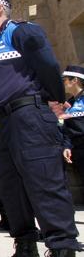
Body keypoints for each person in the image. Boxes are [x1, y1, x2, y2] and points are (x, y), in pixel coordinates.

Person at [0, 0, 81, 256]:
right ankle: (25, 243)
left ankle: (62, 247)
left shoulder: (21, 32)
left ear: (0, 10)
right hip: (7, 122)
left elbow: (48, 65)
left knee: (44, 180)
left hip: (30, 115)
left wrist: (54, 99)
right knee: (11, 186)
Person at [61, 65, 84, 197]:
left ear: (74, 80)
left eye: (65, 80)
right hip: (77, 148)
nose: (63, 83)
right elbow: (67, 129)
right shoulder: (68, 104)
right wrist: (67, 146)